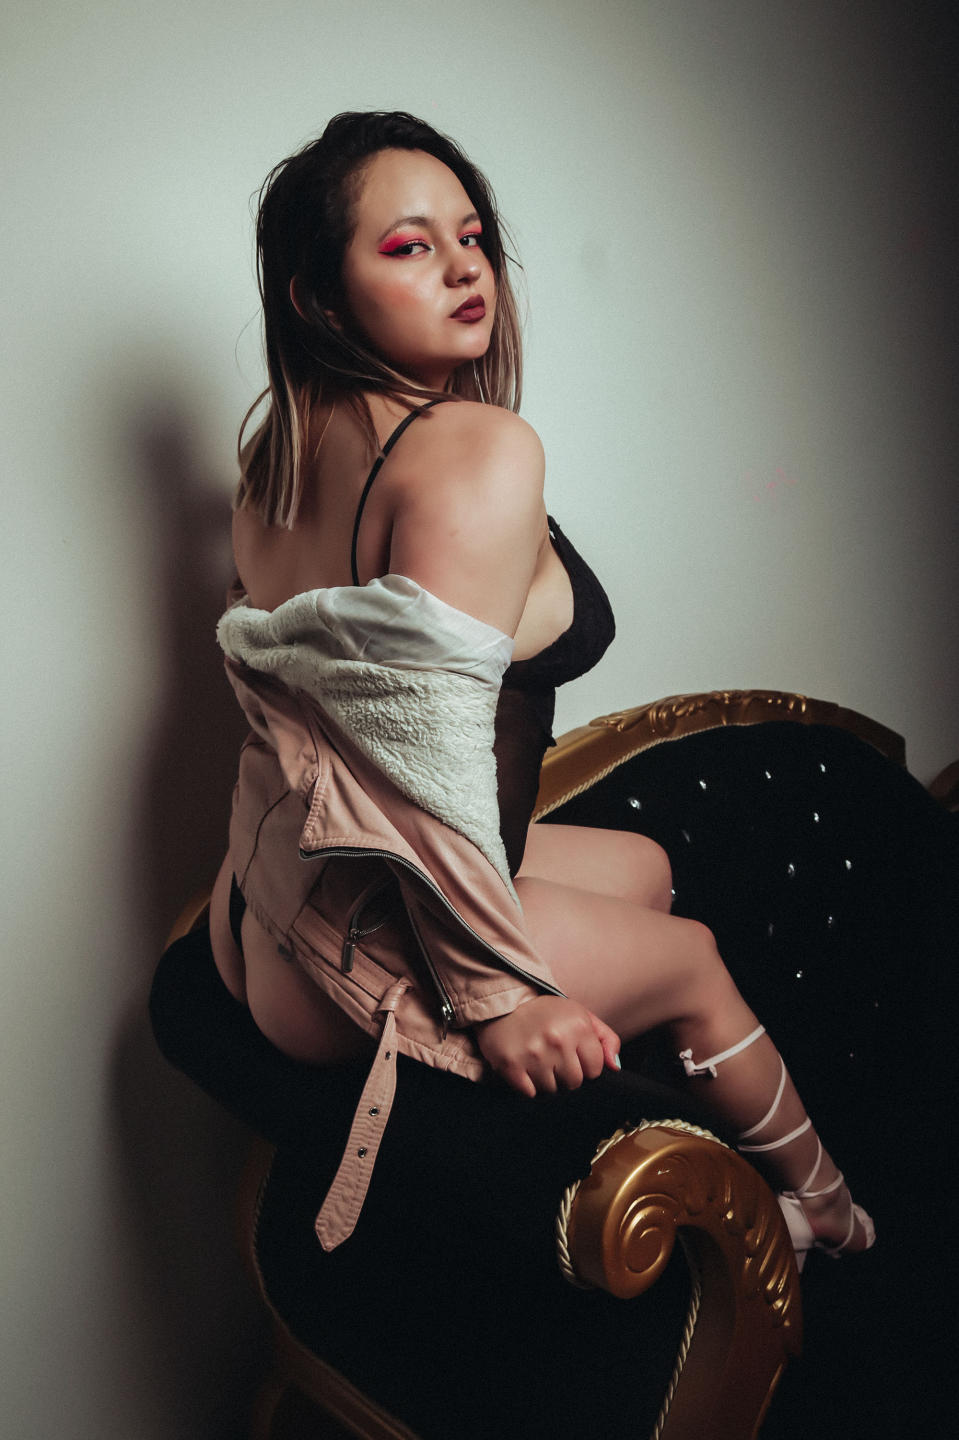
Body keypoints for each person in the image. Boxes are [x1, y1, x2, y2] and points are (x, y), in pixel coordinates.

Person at [208, 110, 874, 1263]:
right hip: (355, 954)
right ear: (320, 300)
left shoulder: (279, 447)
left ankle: (643, 1087)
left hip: (266, 908)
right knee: (690, 954)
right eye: (408, 246)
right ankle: (826, 1213)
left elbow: (321, 718)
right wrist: (500, 999)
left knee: (644, 869)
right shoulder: (472, 450)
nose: (463, 267)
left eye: (470, 236)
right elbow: (421, 754)